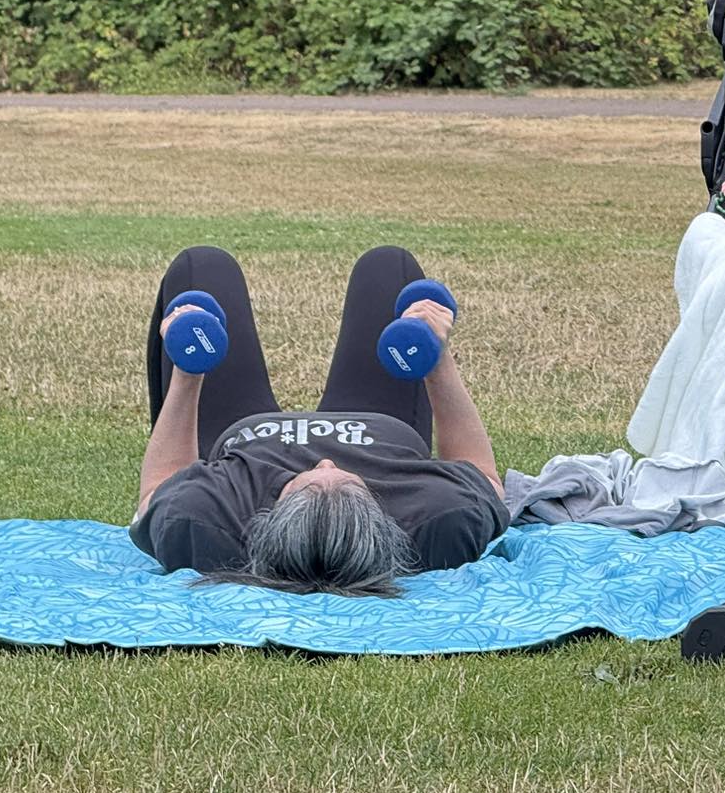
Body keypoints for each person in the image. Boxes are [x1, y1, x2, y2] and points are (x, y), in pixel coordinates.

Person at [133, 245, 507, 595]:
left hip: (245, 428)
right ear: (382, 516)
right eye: (352, 485)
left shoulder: (207, 523)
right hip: (377, 420)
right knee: (389, 266)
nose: (325, 461)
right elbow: (484, 475)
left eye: (302, 483)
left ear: (268, 516)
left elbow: (156, 489)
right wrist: (438, 360)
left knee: (202, 266)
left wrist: (187, 373)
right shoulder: (439, 521)